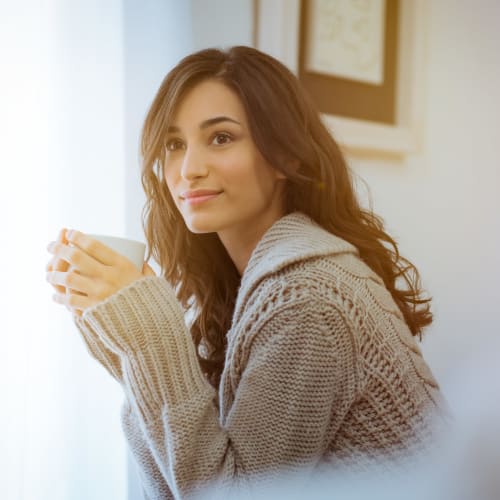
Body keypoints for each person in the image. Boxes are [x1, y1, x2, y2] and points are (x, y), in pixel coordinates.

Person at [46, 46, 448, 499]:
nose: (188, 170)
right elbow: (174, 484)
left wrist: (151, 341)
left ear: (286, 157)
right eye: (174, 145)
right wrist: (128, 348)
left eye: (221, 138)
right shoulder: (232, 291)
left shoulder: (309, 298)